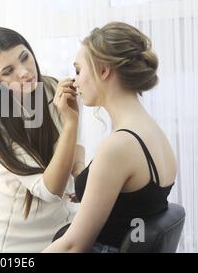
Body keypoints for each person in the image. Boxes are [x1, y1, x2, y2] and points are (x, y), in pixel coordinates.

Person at [43, 22, 177, 253]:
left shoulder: (119, 145)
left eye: (78, 70)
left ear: (104, 70)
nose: (74, 81)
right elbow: (129, 204)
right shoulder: (153, 132)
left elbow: (74, 246)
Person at [0, 27, 85, 252]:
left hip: (60, 233)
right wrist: (71, 123)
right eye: (8, 71)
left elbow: (74, 147)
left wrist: (80, 179)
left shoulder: (54, 88)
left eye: (25, 57)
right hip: (15, 244)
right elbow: (50, 190)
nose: (24, 72)